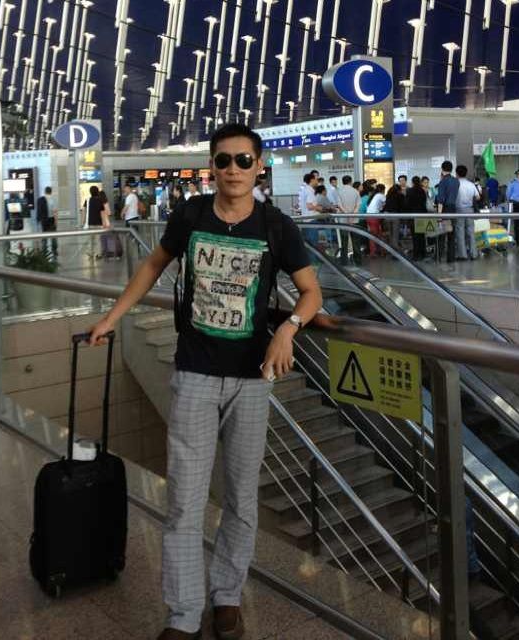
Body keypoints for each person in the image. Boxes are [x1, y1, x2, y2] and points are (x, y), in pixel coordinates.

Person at [89, 124, 322, 640]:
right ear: (211, 167)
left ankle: (227, 597)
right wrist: (112, 318)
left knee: (241, 499)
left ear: (259, 167)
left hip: (253, 378)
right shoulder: (192, 215)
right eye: (223, 160)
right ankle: (183, 614)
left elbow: (311, 293)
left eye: (243, 160)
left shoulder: (277, 226)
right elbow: (153, 265)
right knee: (185, 501)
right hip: (195, 372)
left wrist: (288, 328)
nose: (233, 170)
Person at [437, 160, 460, 262]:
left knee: (442, 234)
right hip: (453, 209)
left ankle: (439, 256)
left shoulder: (443, 182)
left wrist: (439, 216)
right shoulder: (456, 181)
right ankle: (451, 258)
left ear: (442, 169)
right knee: (451, 235)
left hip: (445, 209)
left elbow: (440, 200)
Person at [82, 186, 111, 259]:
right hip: (98, 222)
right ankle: (98, 254)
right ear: (97, 192)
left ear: (90, 192)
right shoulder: (100, 201)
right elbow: (102, 213)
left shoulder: (87, 200)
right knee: (98, 239)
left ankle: (90, 252)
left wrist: (83, 221)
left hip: (90, 222)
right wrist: (104, 222)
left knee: (90, 238)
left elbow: (84, 211)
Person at [338, 175, 361, 265]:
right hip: (354, 220)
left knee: (344, 241)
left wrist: (347, 215)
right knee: (356, 241)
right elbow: (357, 206)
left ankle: (344, 261)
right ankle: (358, 261)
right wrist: (351, 216)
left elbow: (339, 205)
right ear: (351, 182)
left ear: (342, 182)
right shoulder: (355, 191)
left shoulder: (339, 191)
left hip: (343, 220)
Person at [406, 177, 428, 261]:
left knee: (415, 236)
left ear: (412, 182)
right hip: (421, 215)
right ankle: (423, 253)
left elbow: (407, 204)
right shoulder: (422, 191)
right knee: (421, 235)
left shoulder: (409, 191)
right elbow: (424, 202)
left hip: (413, 216)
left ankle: (416, 255)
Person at [384, 182, 406, 251]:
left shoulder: (388, 195)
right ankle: (395, 250)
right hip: (395, 215)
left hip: (386, 215)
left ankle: (390, 249)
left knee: (390, 233)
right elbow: (402, 206)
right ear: (399, 190)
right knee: (395, 234)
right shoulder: (400, 195)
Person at [38, 186, 58, 257]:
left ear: (45, 192)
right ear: (51, 192)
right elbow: (55, 212)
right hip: (51, 219)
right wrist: (56, 221)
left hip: (44, 220)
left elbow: (39, 211)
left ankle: (44, 251)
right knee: (53, 236)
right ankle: (54, 251)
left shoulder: (40, 199)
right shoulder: (53, 199)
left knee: (44, 236)